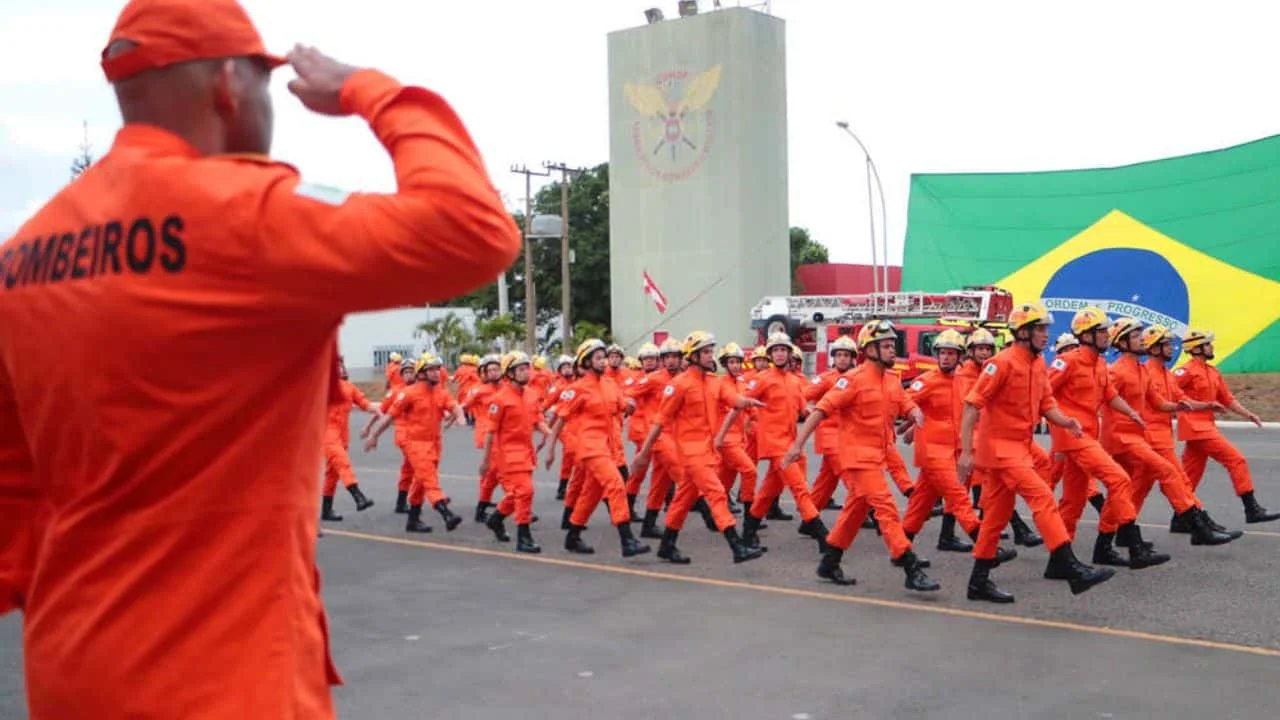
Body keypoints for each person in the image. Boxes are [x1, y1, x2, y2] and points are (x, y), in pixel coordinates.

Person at [0, 0, 521, 715]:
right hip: (223, 676)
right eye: (266, 82)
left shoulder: (24, 255)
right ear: (230, 86)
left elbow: (12, 492)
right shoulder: (248, 215)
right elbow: (474, 229)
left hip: (72, 665)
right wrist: (371, 90)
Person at [959, 302, 1115, 603]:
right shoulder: (1001, 363)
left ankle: (978, 582)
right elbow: (971, 405)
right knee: (1043, 497)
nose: (1046, 334)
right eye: (1040, 329)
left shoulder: (1038, 363)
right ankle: (1069, 566)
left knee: (995, 518)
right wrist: (967, 452)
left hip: (1019, 447)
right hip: (1000, 450)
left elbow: (1046, 404)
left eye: (1046, 328)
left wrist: (1066, 421)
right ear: (1023, 332)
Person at [784, 320, 937, 591]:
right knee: (886, 507)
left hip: (878, 456)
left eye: (893, 345)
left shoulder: (892, 379)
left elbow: (904, 401)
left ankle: (829, 562)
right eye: (886, 346)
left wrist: (914, 412)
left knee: (855, 511)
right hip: (857, 458)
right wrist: (797, 445)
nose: (892, 350)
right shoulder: (852, 380)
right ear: (870, 350)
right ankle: (910, 566)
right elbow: (820, 410)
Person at [630, 332, 766, 564]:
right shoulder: (679, 385)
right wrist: (643, 453)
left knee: (683, 499)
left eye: (710, 351)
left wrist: (748, 402)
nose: (710, 356)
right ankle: (737, 546)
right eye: (705, 352)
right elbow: (660, 421)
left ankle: (667, 545)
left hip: (707, 451)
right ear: (693, 356)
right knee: (717, 493)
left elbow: (733, 399)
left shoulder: (714, 381)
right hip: (690, 453)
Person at [1102, 320, 1237, 547]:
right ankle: (1198, 527)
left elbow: (1160, 403)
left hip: (1137, 437)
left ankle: (1118, 537)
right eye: (1135, 336)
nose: (1141, 339)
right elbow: (1103, 399)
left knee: (1127, 488)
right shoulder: (1116, 371)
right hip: (1122, 438)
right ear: (1122, 343)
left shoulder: (1142, 370)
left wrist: (1190, 406)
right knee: (1169, 474)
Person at [541, 339, 650, 558]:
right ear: (586, 361)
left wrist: (629, 405)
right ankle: (627, 540)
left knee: (591, 495)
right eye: (598, 358)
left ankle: (572, 536)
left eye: (603, 357)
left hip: (608, 448)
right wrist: (551, 448)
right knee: (616, 485)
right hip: (591, 448)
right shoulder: (577, 389)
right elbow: (561, 419)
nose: (603, 361)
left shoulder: (609, 383)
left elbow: (622, 404)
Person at [1174, 329, 1280, 524]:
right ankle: (1251, 508)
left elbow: (1227, 399)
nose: (1211, 346)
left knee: (1190, 475)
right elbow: (1166, 392)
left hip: (1205, 427)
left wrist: (1248, 414)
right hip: (1196, 428)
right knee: (1236, 460)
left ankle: (1180, 519)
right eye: (1207, 344)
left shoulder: (1213, 372)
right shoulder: (1185, 372)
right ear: (1196, 349)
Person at [365, 353, 466, 533]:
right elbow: (389, 416)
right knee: (429, 479)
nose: (436, 373)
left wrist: (460, 416)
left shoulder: (440, 392)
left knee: (420, 482)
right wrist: (374, 435)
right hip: (415, 444)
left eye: (437, 369)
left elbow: (454, 406)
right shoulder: (408, 393)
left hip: (434, 443)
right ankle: (446, 513)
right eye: (431, 370)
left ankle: (413, 520)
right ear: (421, 373)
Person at [482, 351, 552, 553]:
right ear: (510, 373)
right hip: (508, 454)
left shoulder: (531, 395)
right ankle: (524, 536)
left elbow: (538, 419)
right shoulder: (499, 399)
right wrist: (486, 461)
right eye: (520, 369)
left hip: (526, 452)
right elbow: (490, 432)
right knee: (526, 491)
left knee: (516, 494)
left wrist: (550, 434)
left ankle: (496, 519)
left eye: (526, 368)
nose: (526, 372)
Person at [321, 355, 380, 521]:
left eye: (340, 365)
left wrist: (377, 410)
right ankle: (358, 496)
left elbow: (364, 403)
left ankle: (326, 511)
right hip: (327, 434)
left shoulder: (349, 388)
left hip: (342, 435)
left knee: (332, 474)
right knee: (343, 463)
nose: (339, 368)